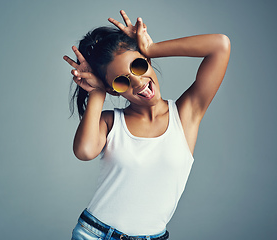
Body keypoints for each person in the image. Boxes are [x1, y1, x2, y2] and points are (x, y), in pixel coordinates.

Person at [63, 10, 230, 240]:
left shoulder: (185, 115)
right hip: (95, 234)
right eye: (122, 81)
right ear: (113, 89)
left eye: (138, 66)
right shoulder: (111, 122)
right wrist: (98, 93)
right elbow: (84, 151)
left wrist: (152, 48)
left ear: (147, 61)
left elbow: (220, 45)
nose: (139, 83)